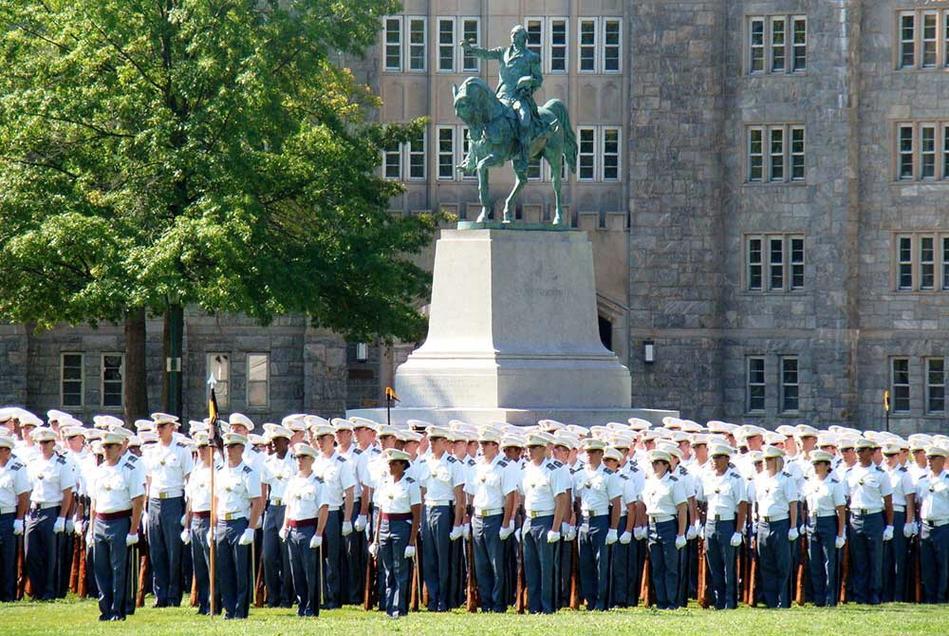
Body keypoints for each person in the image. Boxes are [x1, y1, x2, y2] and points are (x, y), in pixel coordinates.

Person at [460, 24, 544, 168]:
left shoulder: (531, 57)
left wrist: (529, 81)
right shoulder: (503, 52)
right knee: (477, 118)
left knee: (524, 120)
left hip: (519, 97)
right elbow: (486, 54)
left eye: (516, 34)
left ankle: (523, 157)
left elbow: (538, 80)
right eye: (512, 34)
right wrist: (470, 49)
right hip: (501, 97)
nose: (513, 37)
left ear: (524, 38)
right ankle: (471, 157)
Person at [88, 431, 146, 621]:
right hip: (101, 522)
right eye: (104, 447)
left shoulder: (129, 468)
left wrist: (133, 529)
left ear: (120, 448)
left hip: (120, 521)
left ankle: (118, 609)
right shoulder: (98, 470)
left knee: (119, 568)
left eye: (111, 447)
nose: (106, 450)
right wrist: (91, 529)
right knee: (101, 568)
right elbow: (94, 502)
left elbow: (138, 500)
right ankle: (104, 608)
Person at [142, 413, 193, 608]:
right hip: (155, 501)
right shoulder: (150, 451)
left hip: (173, 500)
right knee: (157, 550)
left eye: (163, 426)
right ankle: (159, 594)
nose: (159, 430)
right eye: (157, 426)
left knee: (174, 552)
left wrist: (186, 511)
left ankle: (173, 595)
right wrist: (146, 509)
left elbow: (189, 481)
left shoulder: (182, 451)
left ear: (172, 427)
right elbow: (147, 481)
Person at [212, 432, 264, 620]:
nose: (229, 450)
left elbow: (257, 502)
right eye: (227, 447)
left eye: (233, 447)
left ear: (241, 448)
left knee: (241, 569)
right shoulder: (220, 471)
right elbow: (216, 499)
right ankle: (229, 609)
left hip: (240, 521)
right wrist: (213, 524)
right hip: (222, 522)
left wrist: (251, 528)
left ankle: (241, 610)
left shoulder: (248, 472)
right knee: (224, 570)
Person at [466, 429, 518, 612]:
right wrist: (468, 519)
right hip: (478, 517)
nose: (481, 447)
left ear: (495, 445)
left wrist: (506, 523)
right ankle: (485, 602)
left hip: (496, 517)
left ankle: (498, 603)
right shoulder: (475, 465)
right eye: (480, 444)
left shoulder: (505, 466)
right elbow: (469, 495)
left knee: (497, 565)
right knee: (481, 565)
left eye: (485, 444)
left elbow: (510, 496)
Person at [416, 426, 466, 612]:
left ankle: (445, 599)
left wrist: (457, 523)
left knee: (444, 558)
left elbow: (460, 496)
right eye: (430, 440)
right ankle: (433, 598)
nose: (432, 443)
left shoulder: (453, 463)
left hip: (444, 510)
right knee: (429, 558)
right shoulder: (424, 462)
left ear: (444, 442)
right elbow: (421, 492)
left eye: (435, 440)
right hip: (428, 509)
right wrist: (419, 519)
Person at [520, 434, 571, 614]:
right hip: (529, 519)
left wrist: (556, 527)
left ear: (544, 448)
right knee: (531, 566)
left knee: (547, 567)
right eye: (528, 447)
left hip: (546, 519)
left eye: (534, 447)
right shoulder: (526, 468)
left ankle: (548, 606)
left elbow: (561, 499)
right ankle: (534, 606)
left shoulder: (554, 469)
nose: (529, 451)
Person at [370, 448, 421, 619]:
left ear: (402, 465)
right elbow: (380, 512)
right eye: (389, 463)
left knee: (401, 570)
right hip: (385, 525)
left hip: (402, 525)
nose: (389, 466)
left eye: (393, 463)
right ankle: (390, 605)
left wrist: (411, 542)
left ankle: (400, 607)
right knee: (388, 569)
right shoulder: (385, 483)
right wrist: (376, 539)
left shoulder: (410, 483)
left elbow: (416, 514)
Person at [24, 427, 75, 600]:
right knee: (31, 553)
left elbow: (68, 492)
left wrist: (62, 517)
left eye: (46, 442)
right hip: (34, 510)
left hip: (52, 509)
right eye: (40, 442)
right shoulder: (33, 463)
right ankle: (37, 591)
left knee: (51, 554)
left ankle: (50, 590)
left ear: (53, 443)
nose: (43, 446)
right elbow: (28, 488)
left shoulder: (62, 464)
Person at [280, 442, 329, 617]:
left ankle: (312, 607)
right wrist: (285, 526)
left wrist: (318, 532)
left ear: (311, 459)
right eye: (297, 457)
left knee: (310, 571)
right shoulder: (293, 481)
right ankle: (301, 605)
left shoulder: (318, 482)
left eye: (303, 457)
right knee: (296, 571)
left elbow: (323, 508)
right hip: (293, 528)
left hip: (309, 527)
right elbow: (289, 506)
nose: (299, 461)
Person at [697, 444, 748, 610]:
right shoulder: (708, 477)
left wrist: (738, 531)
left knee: (729, 565)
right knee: (714, 564)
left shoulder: (735, 478)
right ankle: (719, 600)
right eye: (713, 457)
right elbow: (702, 503)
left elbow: (742, 505)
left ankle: (730, 601)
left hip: (728, 522)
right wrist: (700, 524)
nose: (715, 461)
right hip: (711, 523)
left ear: (727, 459)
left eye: (719, 457)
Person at [573, 438, 622, 611]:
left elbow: (616, 503)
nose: (589, 455)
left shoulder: (608, 475)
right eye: (587, 452)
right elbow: (577, 500)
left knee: (602, 564)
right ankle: (590, 600)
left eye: (593, 452)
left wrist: (613, 529)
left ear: (601, 454)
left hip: (601, 520)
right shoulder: (579, 474)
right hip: (585, 520)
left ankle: (602, 602)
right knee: (585, 564)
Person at [844, 438, 894, 605]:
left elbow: (888, 502)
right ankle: (860, 594)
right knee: (859, 559)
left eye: (862, 450)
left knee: (875, 558)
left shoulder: (880, 474)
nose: (858, 454)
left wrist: (890, 525)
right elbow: (845, 499)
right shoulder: (850, 473)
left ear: (871, 452)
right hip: (855, 517)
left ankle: (874, 593)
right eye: (857, 450)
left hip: (874, 517)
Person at [311, 423, 356, 609]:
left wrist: (347, 519)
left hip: (333, 512)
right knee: (316, 557)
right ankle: (319, 595)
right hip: (314, 514)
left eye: (323, 439)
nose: (320, 443)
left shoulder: (341, 462)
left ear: (332, 440)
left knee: (332, 558)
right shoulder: (314, 461)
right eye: (317, 439)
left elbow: (350, 492)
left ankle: (333, 597)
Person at [641, 448, 688, 610]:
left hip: (668, 524)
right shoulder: (649, 482)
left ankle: (672, 601)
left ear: (667, 465)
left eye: (658, 463)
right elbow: (643, 505)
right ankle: (661, 601)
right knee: (657, 567)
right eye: (653, 463)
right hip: (652, 524)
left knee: (671, 567)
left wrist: (681, 533)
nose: (655, 466)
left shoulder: (674, 482)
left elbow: (682, 508)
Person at [801, 450, 846, 607]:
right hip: (812, 522)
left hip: (828, 520)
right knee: (815, 561)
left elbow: (840, 510)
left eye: (819, 463)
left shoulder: (834, 484)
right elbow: (804, 506)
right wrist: (803, 523)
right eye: (814, 464)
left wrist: (841, 533)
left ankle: (830, 598)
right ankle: (819, 598)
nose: (815, 466)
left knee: (830, 562)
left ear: (827, 465)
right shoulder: (810, 483)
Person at [181, 433, 216, 615]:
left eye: (204, 447)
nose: (201, 451)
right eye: (199, 448)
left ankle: (214, 601)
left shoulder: (217, 470)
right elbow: (190, 499)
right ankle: (203, 602)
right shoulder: (196, 470)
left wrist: (215, 525)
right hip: (196, 519)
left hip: (210, 517)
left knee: (212, 565)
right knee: (199, 564)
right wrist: (187, 525)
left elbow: (219, 500)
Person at [261, 424, 295, 608]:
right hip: (272, 508)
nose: (273, 444)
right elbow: (264, 488)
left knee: (286, 555)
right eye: (272, 441)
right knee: (268, 555)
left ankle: (286, 597)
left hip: (288, 507)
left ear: (287, 442)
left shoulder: (295, 460)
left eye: (277, 440)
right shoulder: (267, 462)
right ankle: (272, 596)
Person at [915, 445, 948, 603]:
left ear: (943, 460)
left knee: (944, 563)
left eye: (933, 458)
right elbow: (919, 502)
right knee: (927, 565)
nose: (930, 462)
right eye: (928, 458)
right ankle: (929, 597)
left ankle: (942, 597)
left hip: (944, 525)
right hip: (926, 526)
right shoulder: (923, 481)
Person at [0, 434, 30, 602]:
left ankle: (7, 594)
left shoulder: (17, 468)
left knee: (7, 557)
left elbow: (24, 496)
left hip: (8, 515)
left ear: (7, 451)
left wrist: (19, 519)